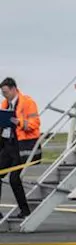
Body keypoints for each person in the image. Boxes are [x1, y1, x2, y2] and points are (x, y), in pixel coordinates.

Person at [0, 77, 40, 218]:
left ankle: (25, 211)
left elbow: (35, 123)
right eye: (2, 93)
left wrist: (19, 122)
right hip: (7, 145)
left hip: (21, 145)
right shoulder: (5, 104)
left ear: (14, 89)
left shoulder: (28, 102)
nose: (4, 95)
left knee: (14, 179)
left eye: (5, 92)